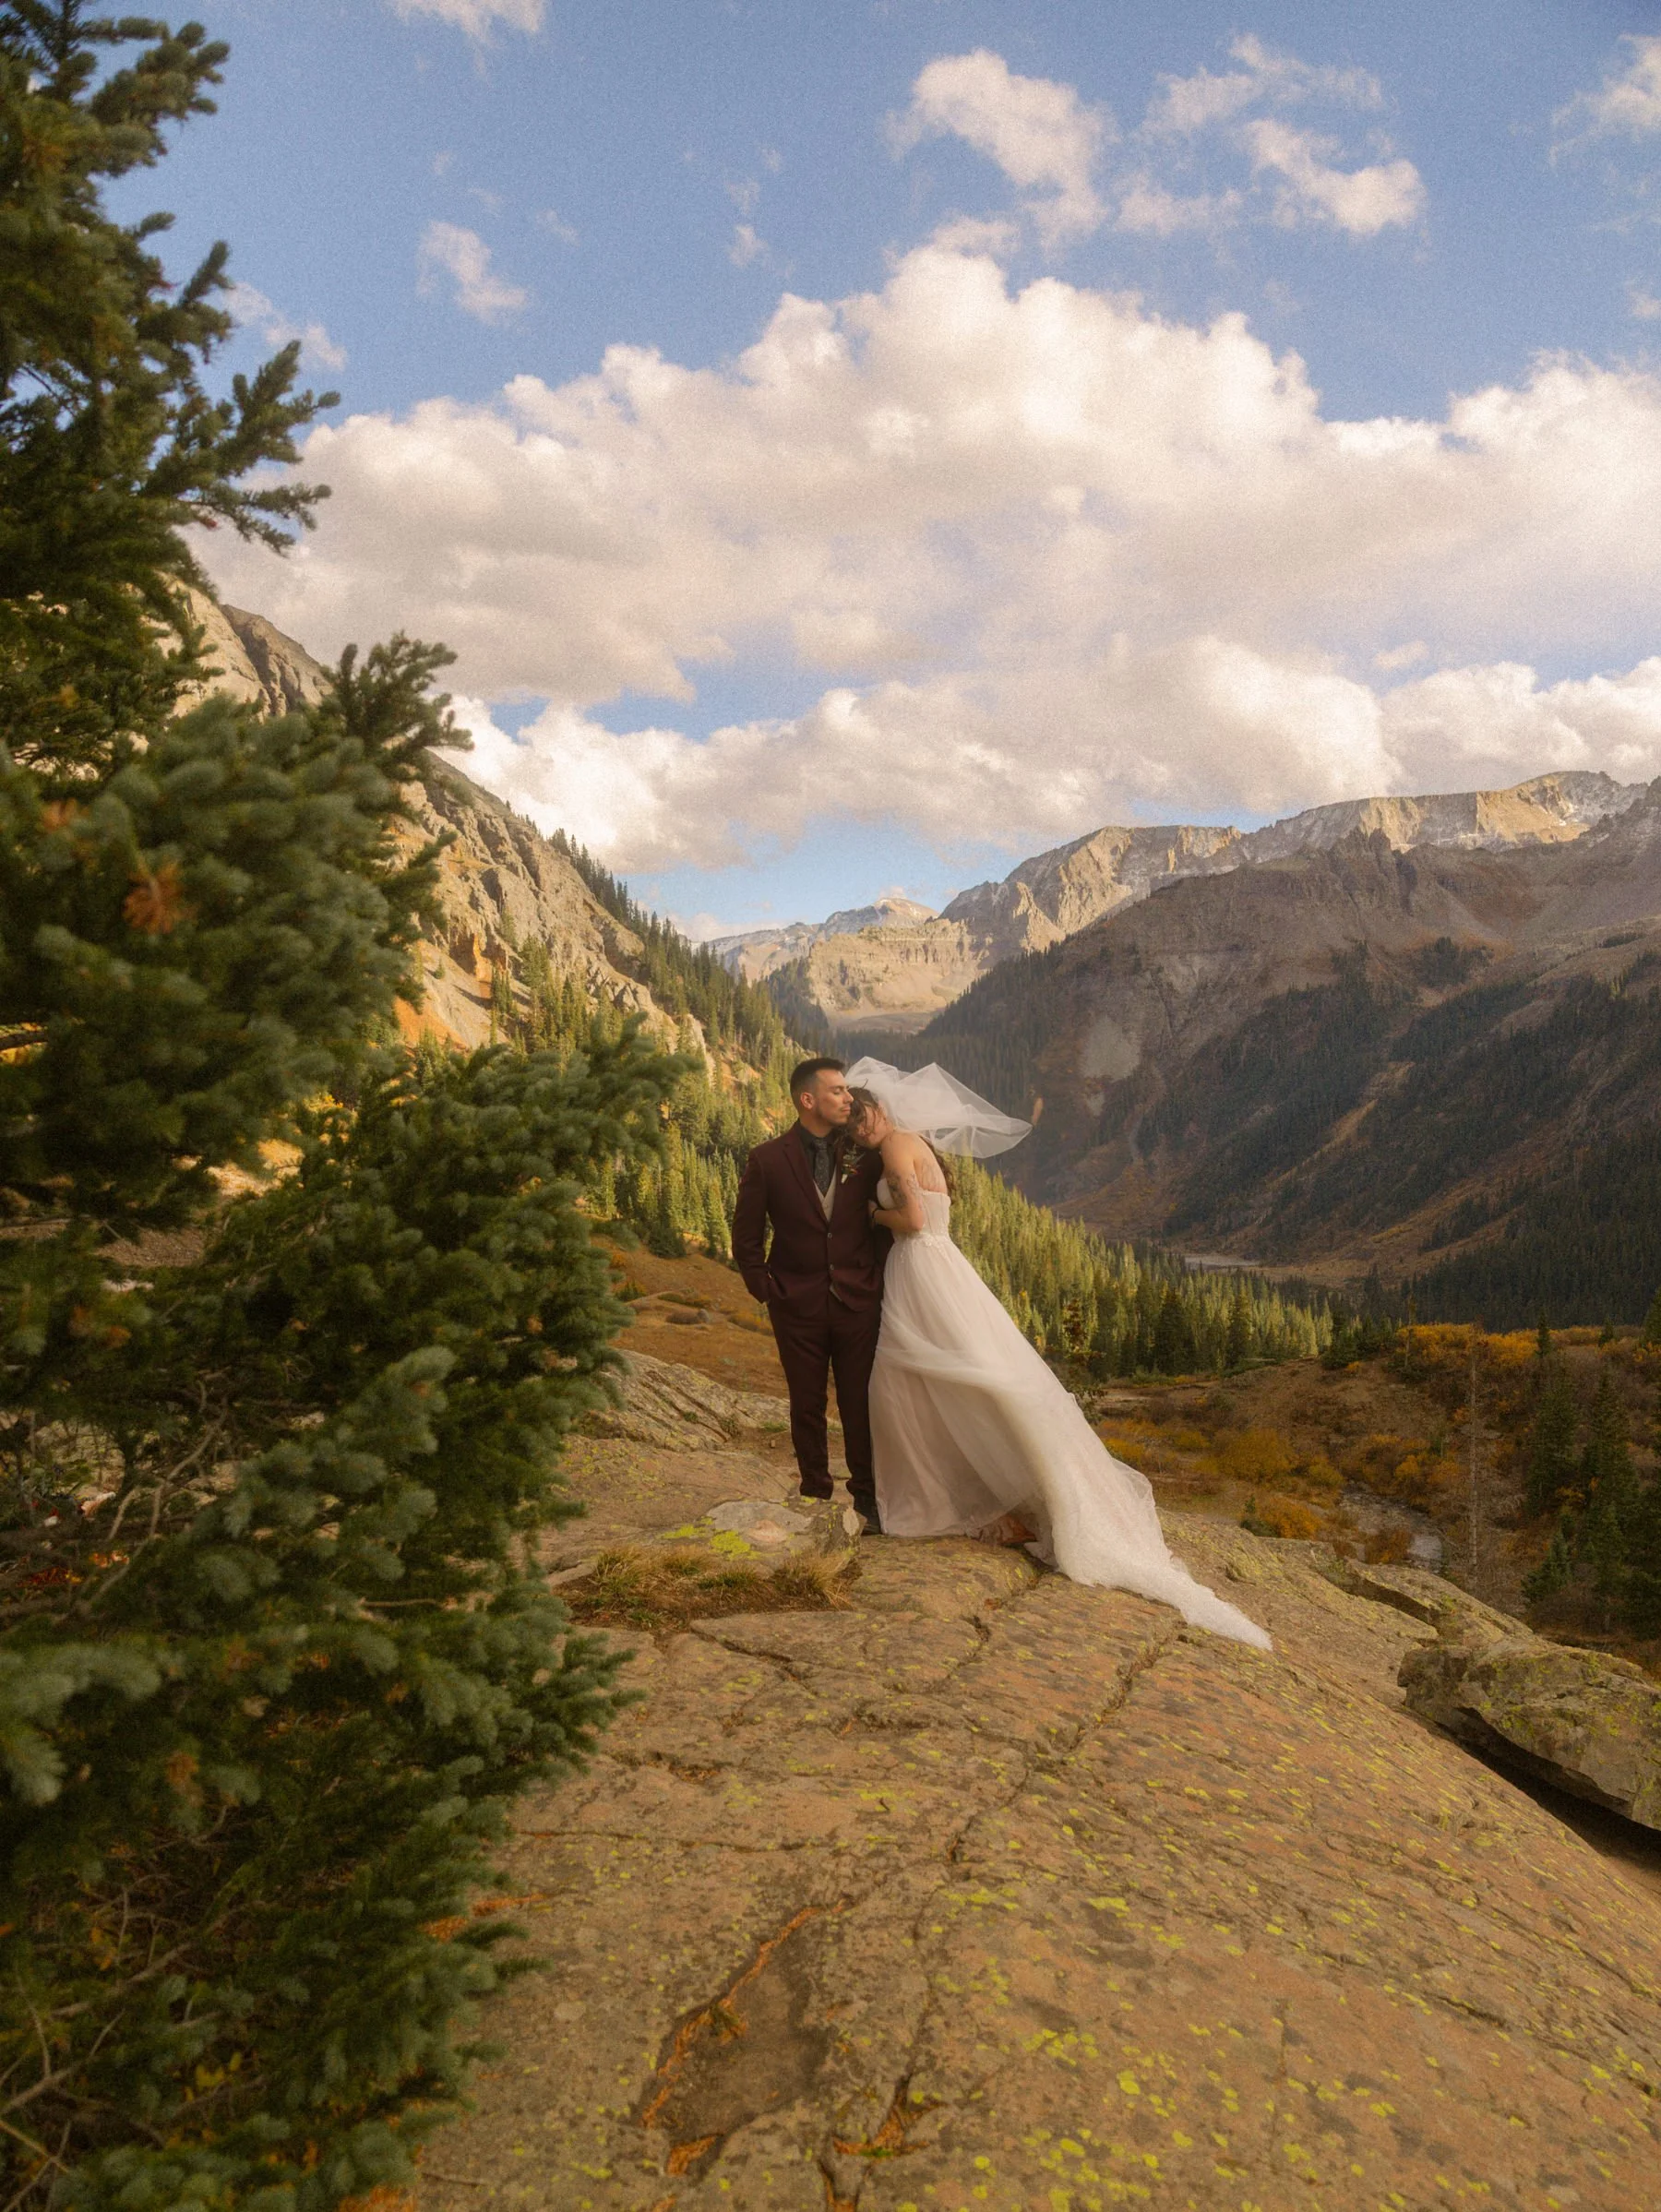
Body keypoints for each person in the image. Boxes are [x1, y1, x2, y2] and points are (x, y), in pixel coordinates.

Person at [843, 1057, 1271, 1650]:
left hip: (919, 1266)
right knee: (956, 1375)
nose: (860, 1127)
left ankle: (946, 1498)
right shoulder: (916, 1142)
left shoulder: (894, 1147)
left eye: (862, 1115)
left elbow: (913, 1219)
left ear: (881, 1109)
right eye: (852, 1123)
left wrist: (872, 1213)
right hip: (942, 1266)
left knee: (902, 1381)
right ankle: (1004, 1494)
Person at [731, 1057, 889, 1530]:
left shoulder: (865, 1154)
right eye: (837, 1091)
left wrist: (877, 1279)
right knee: (806, 1404)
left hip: (858, 1300)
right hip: (795, 1304)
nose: (848, 1099)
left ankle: (868, 1501)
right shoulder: (767, 1159)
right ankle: (816, 1494)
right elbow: (746, 1235)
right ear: (807, 1100)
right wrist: (766, 1290)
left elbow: (882, 1222)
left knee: (860, 1403)